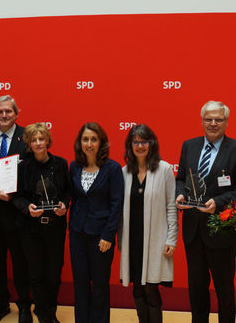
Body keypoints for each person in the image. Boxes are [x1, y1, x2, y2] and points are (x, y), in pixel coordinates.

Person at [175, 101, 236, 323]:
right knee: (197, 288)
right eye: (208, 119)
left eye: (218, 119)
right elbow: (180, 178)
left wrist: (218, 203)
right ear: (202, 121)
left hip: (222, 231)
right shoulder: (189, 146)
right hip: (193, 231)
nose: (213, 123)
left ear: (226, 122)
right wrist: (180, 194)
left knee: (224, 290)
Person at [0, 95, 32, 323]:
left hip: (17, 212)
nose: (4, 115)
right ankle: (1, 304)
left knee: (21, 262)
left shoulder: (27, 137)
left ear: (16, 114)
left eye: (8, 112)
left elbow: (31, 174)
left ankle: (23, 306)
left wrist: (14, 195)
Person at [119, 124, 178, 323]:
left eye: (144, 141)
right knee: (137, 288)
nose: (140, 146)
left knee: (151, 288)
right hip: (132, 240)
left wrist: (172, 239)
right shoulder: (124, 172)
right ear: (130, 145)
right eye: (136, 142)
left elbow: (171, 206)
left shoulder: (165, 169)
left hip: (156, 240)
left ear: (151, 144)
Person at [12, 123, 70, 323]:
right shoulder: (23, 166)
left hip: (55, 228)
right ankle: (42, 313)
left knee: (53, 274)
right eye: (33, 140)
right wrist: (27, 207)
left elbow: (68, 191)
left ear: (47, 141)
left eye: (41, 139)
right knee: (35, 274)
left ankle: (50, 310)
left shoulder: (61, 164)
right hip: (30, 229)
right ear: (28, 143)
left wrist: (65, 205)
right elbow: (15, 196)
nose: (38, 143)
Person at [69, 122, 124, 323]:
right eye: (85, 139)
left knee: (100, 285)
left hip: (101, 238)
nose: (89, 144)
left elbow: (116, 205)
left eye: (93, 139)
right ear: (80, 142)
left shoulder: (113, 169)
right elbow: (72, 197)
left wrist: (108, 235)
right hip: (77, 234)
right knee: (80, 284)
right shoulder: (74, 166)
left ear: (101, 143)